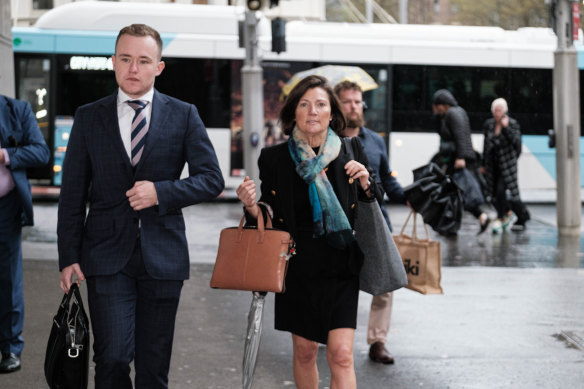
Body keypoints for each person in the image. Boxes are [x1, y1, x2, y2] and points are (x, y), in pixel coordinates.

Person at [57, 24, 224, 389]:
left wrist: (162, 192)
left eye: (143, 60)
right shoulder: (89, 116)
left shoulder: (184, 114)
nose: (134, 68)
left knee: (153, 369)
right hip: (104, 257)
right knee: (113, 358)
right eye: (126, 59)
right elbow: (71, 194)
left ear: (159, 67)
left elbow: (212, 179)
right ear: (113, 62)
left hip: (163, 258)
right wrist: (68, 255)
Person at [236, 75, 382, 389]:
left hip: (342, 264)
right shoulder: (274, 158)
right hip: (298, 265)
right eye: (304, 105)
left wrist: (366, 181)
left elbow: (376, 199)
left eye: (320, 105)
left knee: (341, 355)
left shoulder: (351, 149)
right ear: (294, 114)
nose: (312, 111)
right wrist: (250, 206)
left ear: (333, 113)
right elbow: (269, 214)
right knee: (305, 351)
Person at [334, 81, 405, 365]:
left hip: (376, 221)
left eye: (358, 101)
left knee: (384, 283)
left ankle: (378, 340)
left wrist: (409, 197)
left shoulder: (374, 140)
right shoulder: (329, 141)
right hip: (341, 223)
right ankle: (334, 334)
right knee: (340, 281)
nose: (354, 106)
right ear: (337, 105)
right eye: (348, 101)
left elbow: (386, 180)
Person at [0, 94, 50, 373]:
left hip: (5, 208)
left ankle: (10, 347)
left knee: (8, 278)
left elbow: (41, 152)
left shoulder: (17, 109)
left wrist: (4, 154)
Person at [432, 89, 490, 234]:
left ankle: (454, 224)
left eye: (436, 105)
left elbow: (461, 135)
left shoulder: (453, 113)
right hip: (456, 159)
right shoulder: (454, 113)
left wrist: (461, 157)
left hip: (457, 160)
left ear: (442, 105)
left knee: (458, 193)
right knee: (455, 193)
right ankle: (474, 219)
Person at [481, 98, 530, 232]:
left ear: (505, 111)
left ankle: (503, 217)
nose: (497, 113)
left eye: (500, 110)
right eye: (495, 110)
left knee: (502, 191)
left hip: (507, 166)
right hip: (493, 165)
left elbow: (517, 143)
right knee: (492, 194)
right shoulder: (489, 125)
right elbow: (485, 145)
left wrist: (506, 127)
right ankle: (510, 213)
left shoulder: (512, 124)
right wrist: (483, 164)